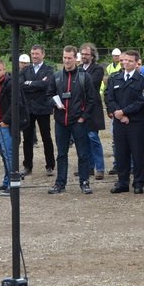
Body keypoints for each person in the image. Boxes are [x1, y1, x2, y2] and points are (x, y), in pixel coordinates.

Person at [50, 45, 97, 195]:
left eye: (70, 58)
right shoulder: (56, 76)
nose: (67, 61)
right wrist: (55, 104)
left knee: (82, 153)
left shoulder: (84, 77)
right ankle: (60, 183)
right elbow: (48, 95)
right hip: (60, 122)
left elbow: (92, 100)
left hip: (78, 122)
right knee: (61, 154)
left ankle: (84, 182)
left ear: (76, 58)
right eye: (64, 57)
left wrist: (83, 118)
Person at [105, 50, 144, 194]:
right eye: (123, 60)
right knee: (121, 153)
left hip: (136, 122)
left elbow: (143, 102)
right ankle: (123, 182)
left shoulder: (143, 80)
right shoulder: (115, 78)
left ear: (137, 62)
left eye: (129, 61)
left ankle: (138, 182)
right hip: (119, 122)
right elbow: (109, 97)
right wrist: (118, 113)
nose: (126, 63)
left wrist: (125, 112)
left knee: (138, 153)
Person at [19, 44, 56, 178]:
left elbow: (47, 84)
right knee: (27, 138)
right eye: (32, 54)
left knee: (46, 137)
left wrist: (30, 83)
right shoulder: (25, 69)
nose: (34, 56)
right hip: (28, 109)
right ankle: (27, 165)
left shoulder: (49, 69)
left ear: (43, 54)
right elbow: (21, 85)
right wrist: (37, 84)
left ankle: (50, 165)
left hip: (43, 108)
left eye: (37, 54)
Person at [0, 58, 23, 193]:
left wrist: (5, 121)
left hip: (5, 124)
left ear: (4, 70)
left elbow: (16, 104)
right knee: (3, 153)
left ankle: (14, 183)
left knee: (9, 154)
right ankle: (7, 180)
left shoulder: (10, 83)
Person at [79, 43, 108, 181]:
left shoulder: (98, 69)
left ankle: (100, 168)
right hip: (79, 108)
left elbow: (91, 84)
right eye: (82, 54)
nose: (84, 56)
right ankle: (88, 167)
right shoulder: (78, 69)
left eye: (86, 54)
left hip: (93, 109)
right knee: (83, 139)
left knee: (93, 138)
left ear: (92, 55)